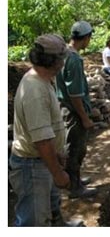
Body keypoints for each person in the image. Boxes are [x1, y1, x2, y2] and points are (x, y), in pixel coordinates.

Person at [9, 34, 83, 226]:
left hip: (41, 161)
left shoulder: (43, 80)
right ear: (53, 61)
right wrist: (58, 174)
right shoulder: (35, 91)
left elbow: (47, 129)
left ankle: (59, 226)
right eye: (61, 59)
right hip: (32, 165)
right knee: (33, 220)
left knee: (52, 205)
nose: (63, 63)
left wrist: (57, 155)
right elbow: (41, 141)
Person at [56, 21, 98, 199]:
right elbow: (74, 93)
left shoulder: (64, 54)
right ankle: (74, 187)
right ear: (86, 38)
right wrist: (84, 117)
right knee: (75, 148)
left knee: (77, 147)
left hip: (67, 108)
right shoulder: (73, 59)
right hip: (73, 111)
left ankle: (77, 180)